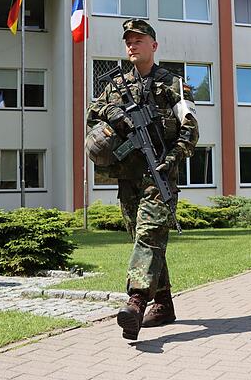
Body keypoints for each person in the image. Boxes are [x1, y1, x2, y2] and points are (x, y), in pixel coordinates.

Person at [86, 18, 199, 339]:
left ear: (154, 45)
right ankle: (163, 305)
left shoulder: (174, 84)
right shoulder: (115, 85)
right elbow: (92, 115)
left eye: (139, 40)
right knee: (142, 238)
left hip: (160, 174)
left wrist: (173, 158)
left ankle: (135, 303)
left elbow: (190, 128)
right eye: (128, 41)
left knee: (149, 235)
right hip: (127, 176)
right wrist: (114, 114)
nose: (132, 45)